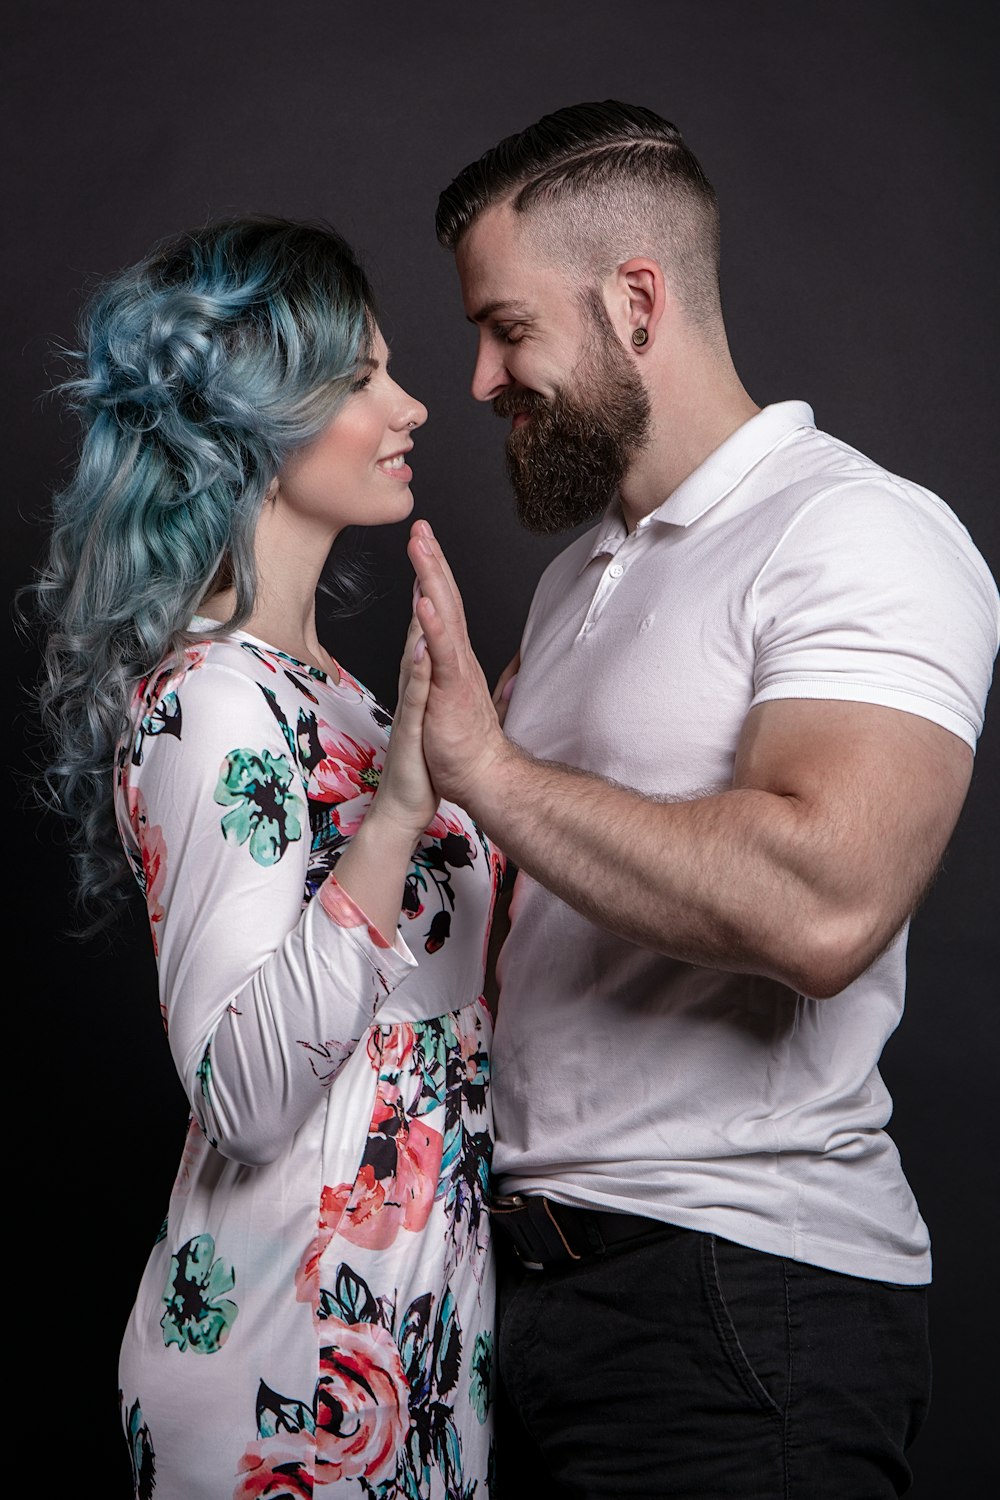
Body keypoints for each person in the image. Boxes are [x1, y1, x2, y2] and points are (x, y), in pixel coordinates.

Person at [404, 102, 1000, 1498]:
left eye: (507, 328)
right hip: (526, 1296)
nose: (482, 379)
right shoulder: (575, 580)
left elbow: (824, 900)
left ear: (635, 301)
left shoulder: (858, 530)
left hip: (738, 1311)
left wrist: (490, 772)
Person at [29, 216, 504, 1498]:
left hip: (421, 1352)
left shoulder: (342, 698)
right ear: (257, 414)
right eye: (359, 379)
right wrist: (403, 804)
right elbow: (241, 1096)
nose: (410, 405)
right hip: (281, 1377)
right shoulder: (214, 701)